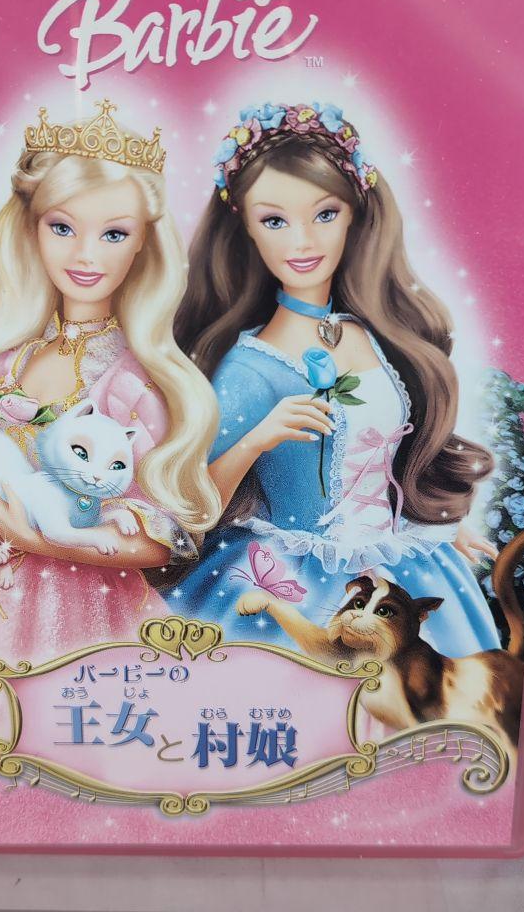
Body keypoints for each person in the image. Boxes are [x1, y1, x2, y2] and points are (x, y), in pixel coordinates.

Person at [0, 99, 220, 739]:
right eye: (62, 228)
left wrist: (37, 539)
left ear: (143, 242)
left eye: (114, 234)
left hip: (89, 608)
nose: (87, 255)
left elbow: (155, 541)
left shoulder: (135, 384)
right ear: (29, 229)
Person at [168, 101, 500, 658]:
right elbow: (192, 508)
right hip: (299, 580)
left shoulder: (372, 334)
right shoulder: (248, 369)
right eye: (275, 221)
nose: (302, 242)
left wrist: (435, 529)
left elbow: (391, 458)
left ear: (354, 216)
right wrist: (257, 440)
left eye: (324, 214)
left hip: (404, 566)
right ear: (246, 228)